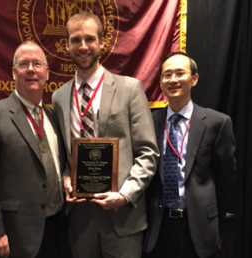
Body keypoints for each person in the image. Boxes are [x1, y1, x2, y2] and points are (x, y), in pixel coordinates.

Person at [51, 11, 159, 258]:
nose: (83, 46)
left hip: (123, 218)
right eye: (76, 40)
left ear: (102, 42)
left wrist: (125, 194)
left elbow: (148, 152)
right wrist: (67, 179)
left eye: (90, 39)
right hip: (80, 220)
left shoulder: (130, 89)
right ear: (66, 45)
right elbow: (65, 157)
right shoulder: (59, 97)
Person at [0, 41, 69, 258]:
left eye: (37, 64)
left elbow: (62, 163)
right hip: (18, 233)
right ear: (14, 73)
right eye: (24, 64)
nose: (31, 69)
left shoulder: (54, 116)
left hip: (58, 227)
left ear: (47, 73)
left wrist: (66, 177)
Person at [142, 52, 236, 258]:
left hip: (200, 226)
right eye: (167, 75)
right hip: (159, 227)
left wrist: (218, 222)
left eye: (179, 73)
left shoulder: (216, 123)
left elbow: (226, 179)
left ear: (194, 79)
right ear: (160, 82)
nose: (173, 80)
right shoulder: (149, 122)